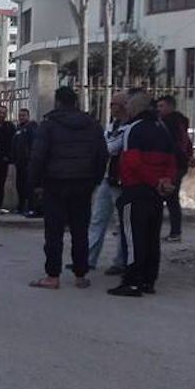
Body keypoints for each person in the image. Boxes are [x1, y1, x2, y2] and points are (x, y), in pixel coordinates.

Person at [28, 87, 108, 290]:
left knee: (54, 232)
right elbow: (102, 155)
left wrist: (35, 183)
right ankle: (80, 275)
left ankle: (53, 276)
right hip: (83, 183)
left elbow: (38, 156)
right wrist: (95, 180)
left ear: (57, 102)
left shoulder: (48, 125)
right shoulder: (92, 124)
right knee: (80, 230)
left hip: (55, 183)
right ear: (76, 102)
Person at [109, 90, 177, 297]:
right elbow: (172, 158)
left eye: (128, 105)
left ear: (135, 108)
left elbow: (132, 162)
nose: (125, 108)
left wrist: (155, 181)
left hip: (136, 190)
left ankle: (132, 281)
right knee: (151, 237)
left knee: (132, 238)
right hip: (157, 193)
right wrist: (166, 182)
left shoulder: (134, 129)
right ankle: (149, 280)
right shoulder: (162, 128)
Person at [89, 93, 130, 274]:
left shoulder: (128, 128)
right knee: (97, 220)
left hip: (120, 181)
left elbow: (110, 148)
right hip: (107, 178)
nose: (111, 107)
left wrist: (102, 148)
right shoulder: (112, 126)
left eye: (114, 104)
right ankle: (89, 260)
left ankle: (120, 262)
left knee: (121, 224)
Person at [157, 95, 195, 242]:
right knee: (171, 199)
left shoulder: (169, 123)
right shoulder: (180, 121)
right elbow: (186, 141)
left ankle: (175, 232)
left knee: (170, 199)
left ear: (171, 106)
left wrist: (185, 157)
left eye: (162, 106)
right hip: (180, 163)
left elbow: (176, 144)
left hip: (174, 164)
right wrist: (189, 156)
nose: (159, 109)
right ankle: (174, 231)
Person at [11, 108, 38, 216]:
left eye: (23, 115)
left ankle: (31, 207)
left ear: (28, 116)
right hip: (19, 163)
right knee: (20, 186)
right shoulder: (18, 129)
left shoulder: (31, 128)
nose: (21, 117)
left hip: (28, 163)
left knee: (29, 186)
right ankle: (21, 206)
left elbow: (33, 145)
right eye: (20, 115)